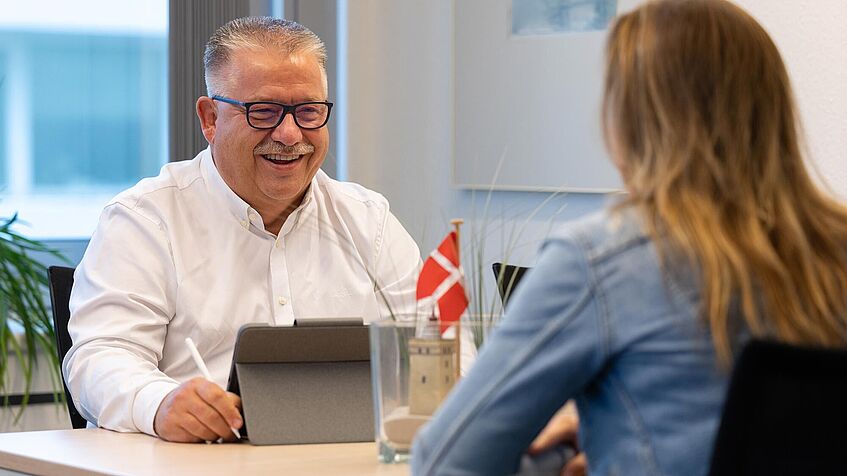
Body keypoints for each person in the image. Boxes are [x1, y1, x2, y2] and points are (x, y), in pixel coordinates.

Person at [412, 0, 847, 474]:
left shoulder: (603, 260)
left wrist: (558, 459)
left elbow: (444, 462)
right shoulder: (834, 249)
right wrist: (614, 429)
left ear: (632, 123)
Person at [63, 17, 421, 443]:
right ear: (210, 118)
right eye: (264, 112)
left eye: (308, 111)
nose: (290, 135)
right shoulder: (145, 219)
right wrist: (158, 403)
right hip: (194, 463)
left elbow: (438, 347)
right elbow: (99, 357)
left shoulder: (368, 219)